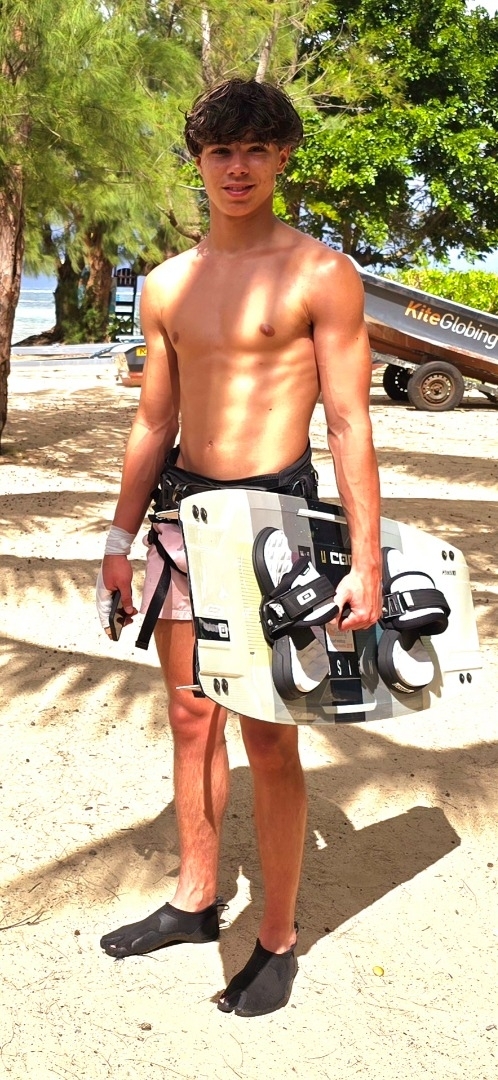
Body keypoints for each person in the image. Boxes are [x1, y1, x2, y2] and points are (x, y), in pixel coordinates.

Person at [96, 77, 382, 1018]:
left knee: (268, 733)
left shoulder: (321, 274)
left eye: (257, 149)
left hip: (276, 526)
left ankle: (278, 937)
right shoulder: (167, 284)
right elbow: (153, 421)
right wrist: (118, 537)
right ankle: (193, 899)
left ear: (282, 157)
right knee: (190, 719)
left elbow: (349, 422)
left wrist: (367, 561)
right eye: (222, 150)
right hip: (183, 520)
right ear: (200, 161)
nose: (238, 167)